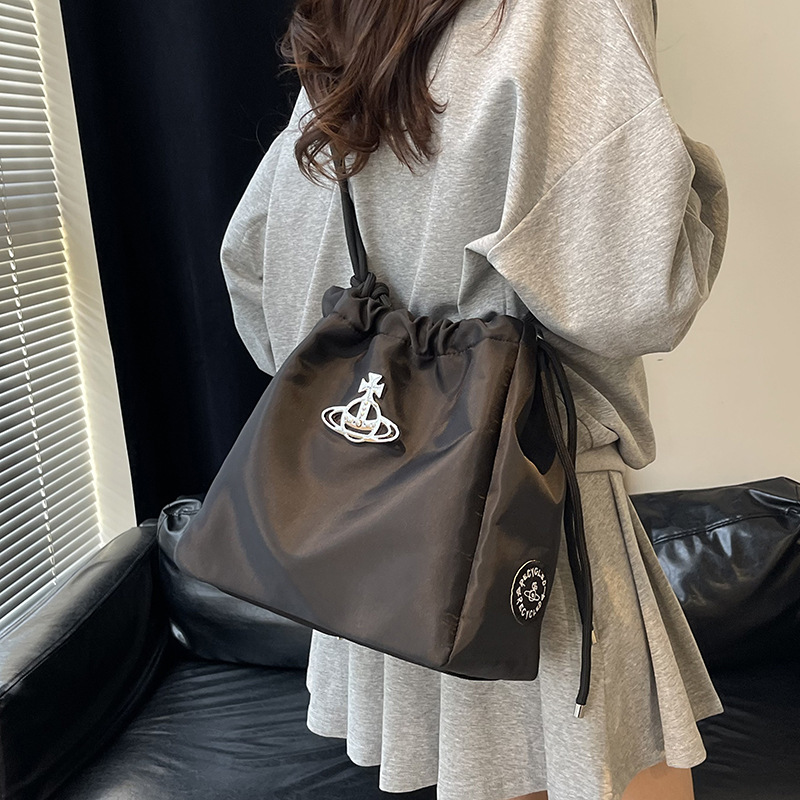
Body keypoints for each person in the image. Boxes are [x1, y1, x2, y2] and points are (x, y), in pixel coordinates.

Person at [217, 0, 729, 798]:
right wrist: (683, 166)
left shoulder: (347, 38)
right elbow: (639, 294)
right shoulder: (565, 14)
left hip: (371, 545)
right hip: (525, 522)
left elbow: (256, 284)